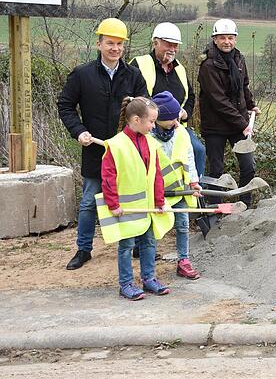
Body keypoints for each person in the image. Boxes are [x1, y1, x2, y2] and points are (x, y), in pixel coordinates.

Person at [57, 17, 148, 271]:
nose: (115, 48)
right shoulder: (82, 75)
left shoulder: (133, 76)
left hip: (128, 153)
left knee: (132, 199)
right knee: (89, 201)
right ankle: (84, 249)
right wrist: (79, 131)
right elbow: (65, 106)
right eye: (110, 43)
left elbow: (145, 108)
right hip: (96, 150)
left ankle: (138, 244)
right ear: (99, 44)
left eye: (119, 44)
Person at [95, 97, 174, 300]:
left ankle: (149, 279)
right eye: (151, 121)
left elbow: (156, 174)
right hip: (126, 209)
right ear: (136, 119)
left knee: (149, 243)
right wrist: (113, 204)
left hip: (147, 207)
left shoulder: (151, 143)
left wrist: (159, 201)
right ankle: (126, 284)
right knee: (126, 246)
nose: (153, 125)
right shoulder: (116, 145)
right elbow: (108, 177)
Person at [130, 22, 206, 178]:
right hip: (149, 128)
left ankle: (196, 192)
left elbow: (190, 96)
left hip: (177, 128)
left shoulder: (179, 69)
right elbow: (132, 98)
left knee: (198, 151)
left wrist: (186, 113)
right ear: (156, 42)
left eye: (175, 45)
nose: (173, 49)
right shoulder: (139, 64)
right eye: (168, 44)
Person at [198, 19, 260, 206]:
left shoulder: (238, 59)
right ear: (215, 40)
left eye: (230, 38)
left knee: (248, 165)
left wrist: (251, 105)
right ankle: (214, 208)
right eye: (222, 38)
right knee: (217, 170)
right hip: (215, 126)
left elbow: (244, 85)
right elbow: (219, 101)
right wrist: (243, 124)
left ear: (235, 39)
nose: (227, 42)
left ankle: (245, 203)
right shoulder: (208, 66)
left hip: (237, 124)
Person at [149, 91, 203, 279]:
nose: (176, 121)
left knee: (182, 225)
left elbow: (189, 157)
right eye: (171, 118)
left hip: (179, 190)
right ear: (157, 119)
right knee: (155, 228)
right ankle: (148, 266)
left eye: (177, 116)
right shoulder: (148, 136)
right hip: (156, 193)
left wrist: (194, 182)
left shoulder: (181, 133)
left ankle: (184, 261)